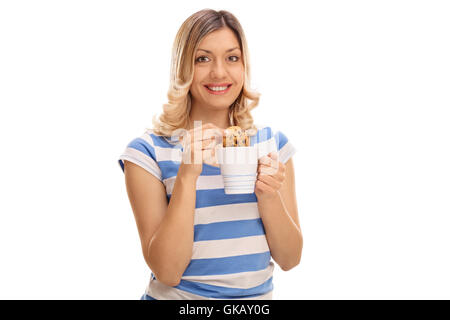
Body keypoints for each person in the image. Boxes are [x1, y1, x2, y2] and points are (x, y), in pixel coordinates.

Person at [118, 9, 303, 300]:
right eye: (202, 59)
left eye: (232, 58)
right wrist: (187, 176)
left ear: (244, 66)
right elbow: (167, 271)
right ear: (183, 69)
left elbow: (290, 259)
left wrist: (268, 194)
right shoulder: (147, 153)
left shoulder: (272, 146)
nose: (219, 72)